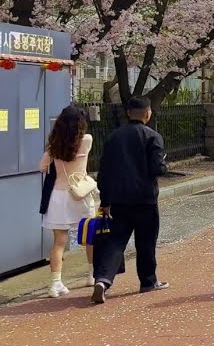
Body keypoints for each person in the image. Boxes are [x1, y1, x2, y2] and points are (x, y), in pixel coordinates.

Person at [91, 96, 170, 304]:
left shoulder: (113, 137)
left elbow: (104, 171)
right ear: (148, 113)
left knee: (115, 242)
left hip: (118, 199)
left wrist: (105, 201)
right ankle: (148, 281)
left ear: (128, 113)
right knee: (146, 242)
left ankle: (103, 280)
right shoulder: (153, 136)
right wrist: (164, 164)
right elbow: (157, 168)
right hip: (145, 199)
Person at [39, 105, 96, 297]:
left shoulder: (54, 145)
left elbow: (42, 167)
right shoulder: (87, 140)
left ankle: (56, 283)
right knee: (90, 237)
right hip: (80, 194)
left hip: (58, 196)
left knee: (59, 242)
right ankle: (92, 275)